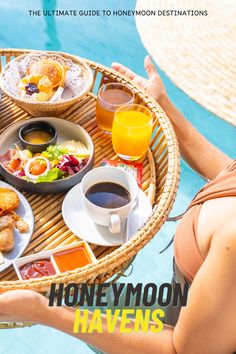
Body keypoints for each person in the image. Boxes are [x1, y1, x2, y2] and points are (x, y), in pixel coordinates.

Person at [0, 56, 235, 354]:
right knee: (86, 298)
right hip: (186, 304)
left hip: (175, 334)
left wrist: (44, 311)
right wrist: (165, 108)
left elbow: (180, 350)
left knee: (76, 307)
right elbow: (229, 176)